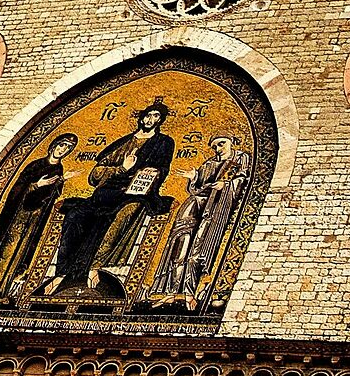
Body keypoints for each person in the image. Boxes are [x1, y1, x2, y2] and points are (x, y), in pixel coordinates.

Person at [51, 100, 174, 294]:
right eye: (148, 115)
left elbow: (162, 168)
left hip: (135, 193)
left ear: (160, 121)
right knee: (75, 214)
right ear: (141, 117)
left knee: (123, 214)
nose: (151, 119)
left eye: (156, 117)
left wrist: (150, 173)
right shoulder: (123, 143)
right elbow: (95, 175)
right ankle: (62, 273)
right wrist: (122, 168)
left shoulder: (163, 142)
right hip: (105, 194)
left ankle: (95, 266)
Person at [0, 133, 78, 303]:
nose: (63, 150)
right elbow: (17, 189)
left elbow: (51, 194)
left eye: (67, 148)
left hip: (36, 217)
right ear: (54, 145)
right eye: (62, 145)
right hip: (18, 214)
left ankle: (2, 294)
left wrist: (61, 180)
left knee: (19, 253)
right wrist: (36, 185)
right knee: (6, 250)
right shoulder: (36, 165)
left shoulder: (58, 169)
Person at [146, 137, 250, 310]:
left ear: (231, 142)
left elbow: (242, 179)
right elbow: (196, 190)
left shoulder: (240, 158)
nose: (218, 148)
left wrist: (225, 185)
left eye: (221, 143)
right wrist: (194, 178)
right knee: (179, 247)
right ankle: (171, 293)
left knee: (197, 252)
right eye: (215, 146)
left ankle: (189, 294)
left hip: (217, 209)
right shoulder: (208, 164)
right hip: (197, 205)